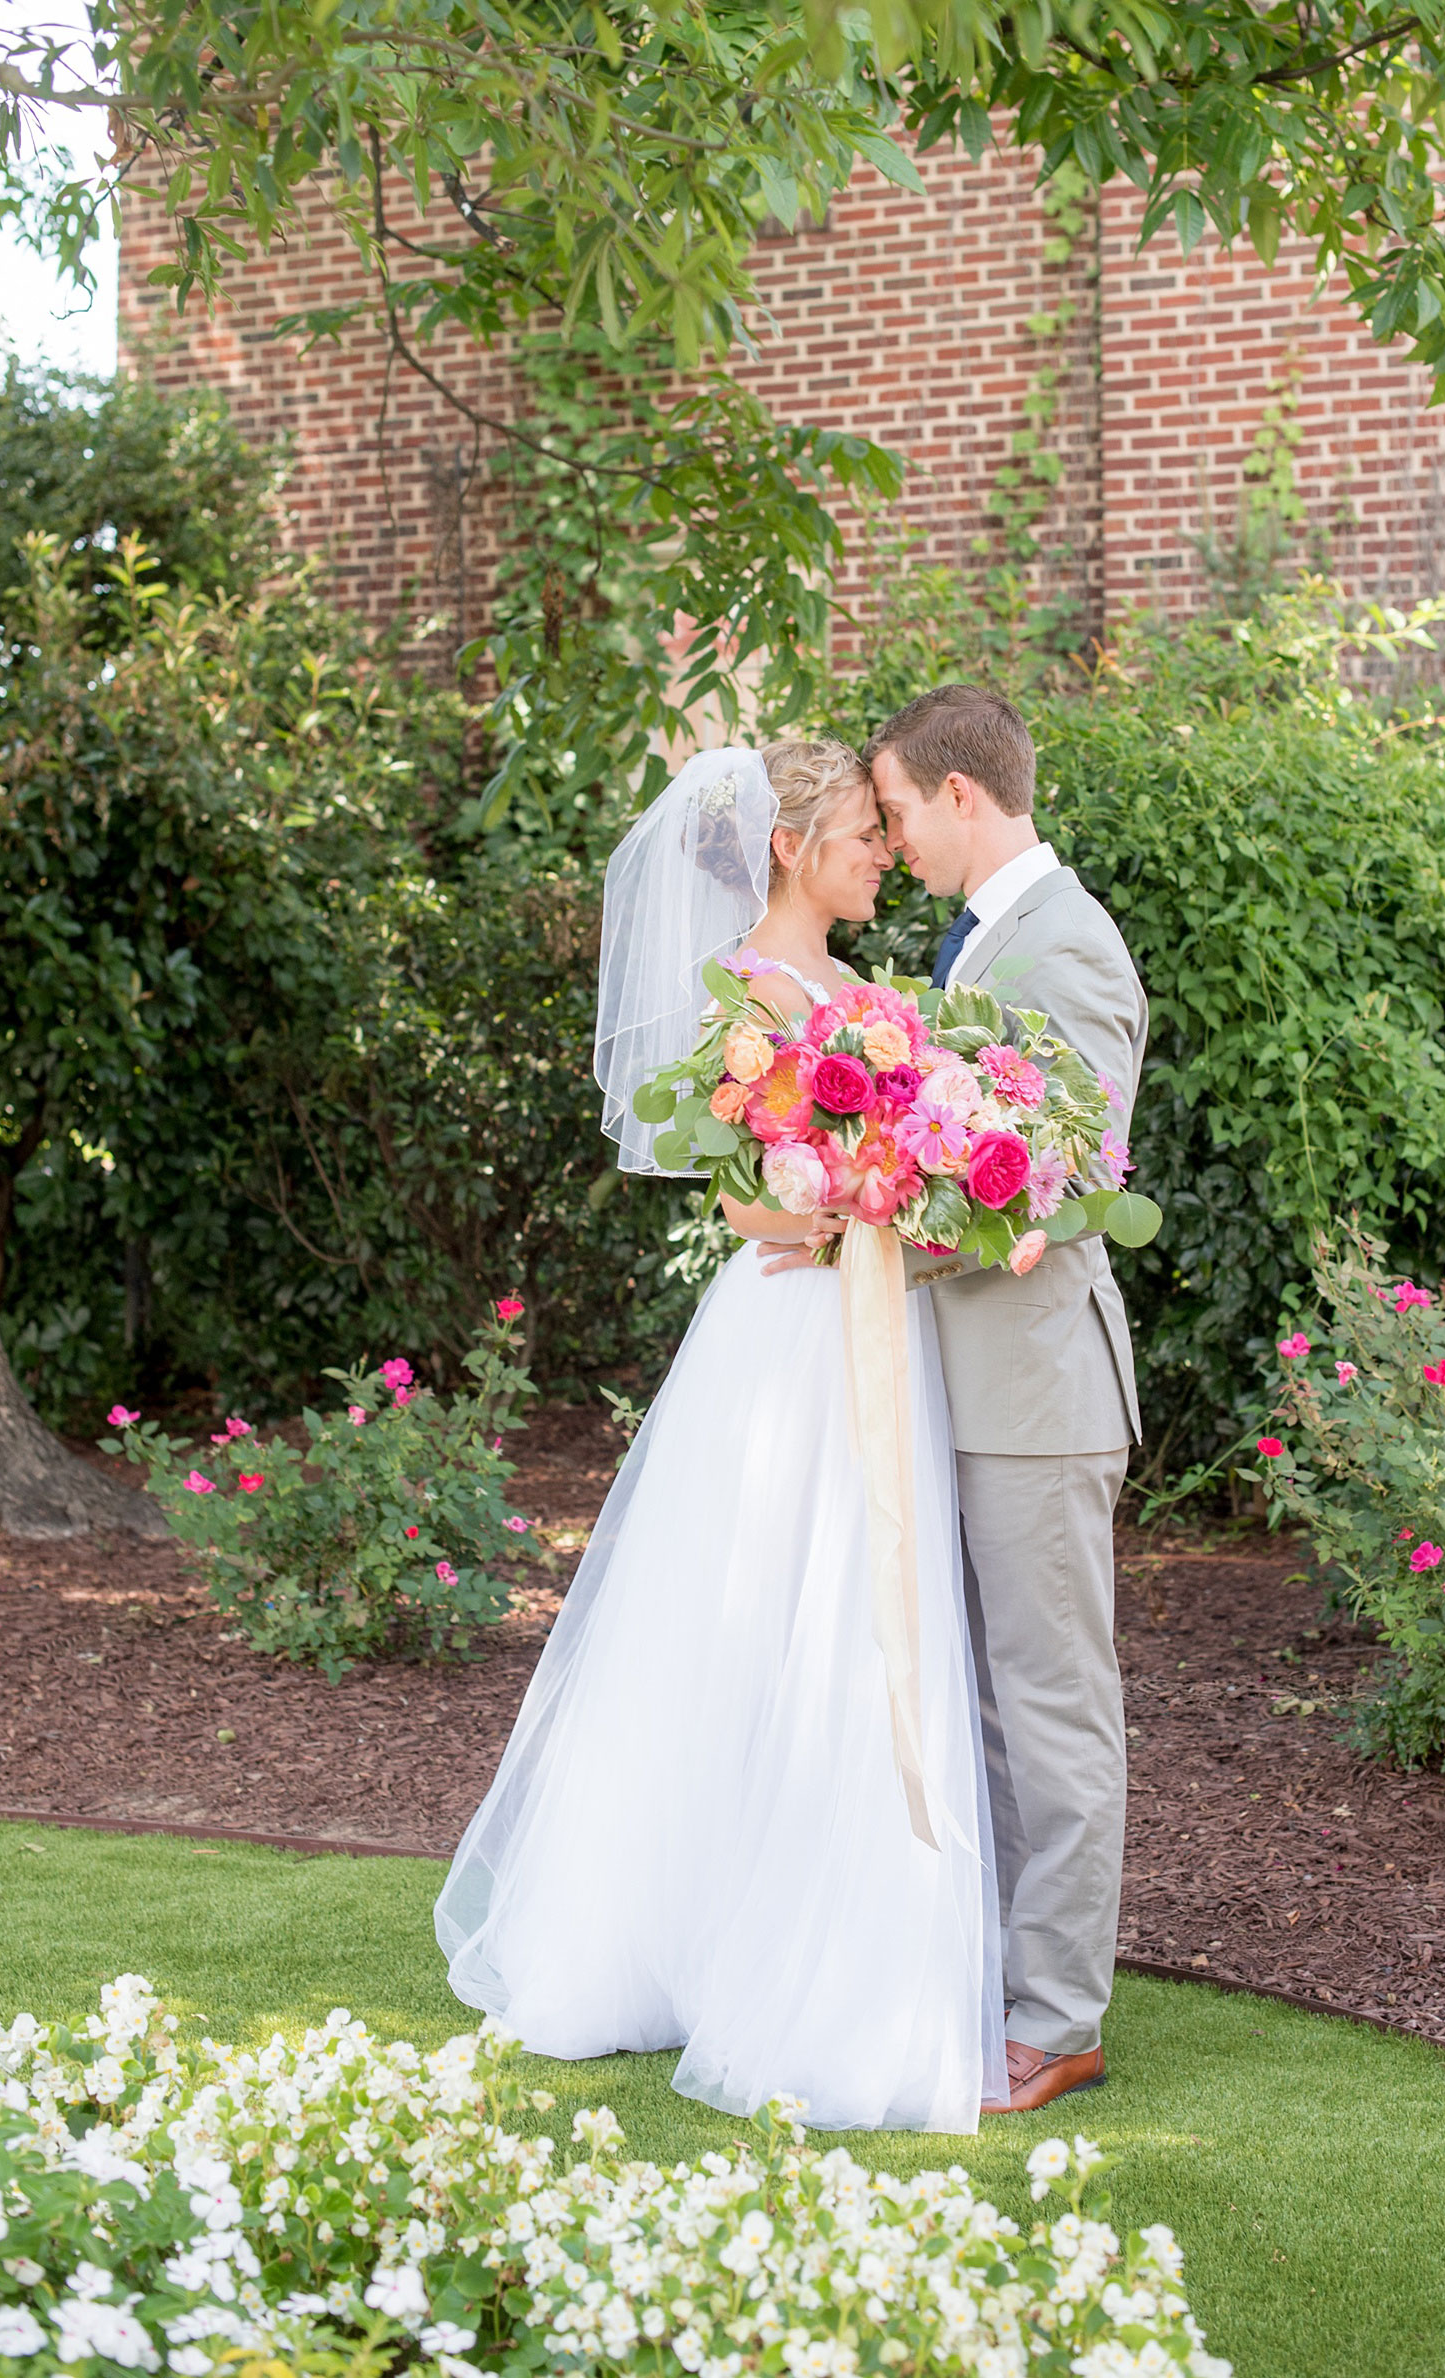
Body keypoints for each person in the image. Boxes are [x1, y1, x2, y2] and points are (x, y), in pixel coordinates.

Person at [434, 738, 1007, 2132]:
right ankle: (690, 1940)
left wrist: (914, 1190)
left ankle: (829, 1934)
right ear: (794, 845)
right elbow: (744, 1199)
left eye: (885, 832)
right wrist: (849, 1202)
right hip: (787, 1338)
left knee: (862, 1623)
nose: (882, 851)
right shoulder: (747, 991)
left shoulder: (875, 994)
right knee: (756, 1625)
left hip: (875, 1325)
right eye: (863, 834)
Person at [768, 685, 1147, 2114]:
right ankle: (1001, 1973)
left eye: (903, 807)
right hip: (964, 1384)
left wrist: (867, 1218)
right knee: (985, 1707)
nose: (896, 834)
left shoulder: (1069, 948)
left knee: (1053, 1708)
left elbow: (1070, 1177)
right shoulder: (982, 938)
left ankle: (1057, 2019)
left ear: (964, 798)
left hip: (1038, 1393)